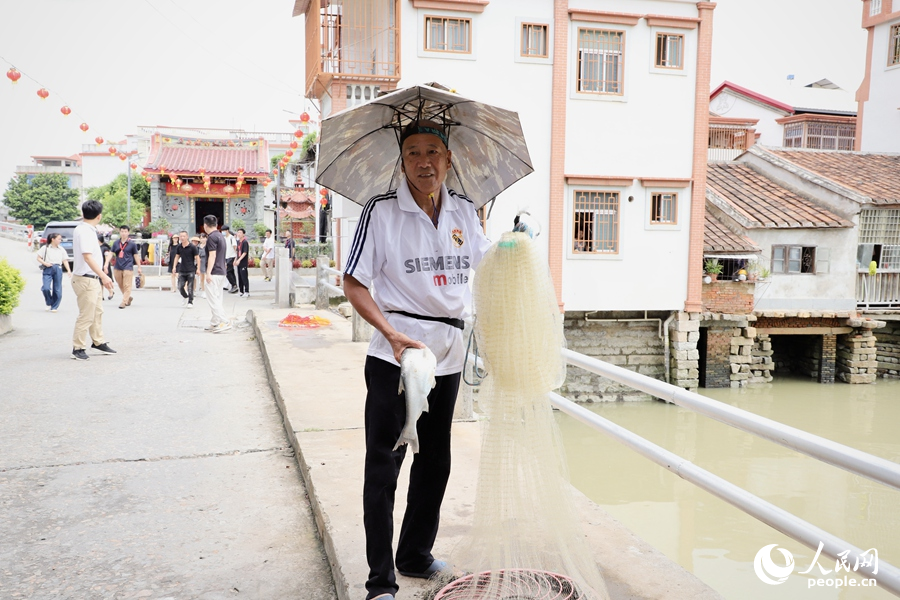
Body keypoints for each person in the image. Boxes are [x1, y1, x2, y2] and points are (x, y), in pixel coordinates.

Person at [342, 120, 492, 600]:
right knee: (384, 467)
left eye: (433, 152)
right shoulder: (381, 212)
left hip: (446, 357)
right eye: (412, 153)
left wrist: (509, 244)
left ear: (449, 161)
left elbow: (487, 269)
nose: (423, 161)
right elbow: (354, 282)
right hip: (396, 359)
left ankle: (415, 555)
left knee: (436, 461)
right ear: (401, 161)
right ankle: (380, 582)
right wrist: (389, 334)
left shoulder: (466, 212)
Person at [71, 200, 116, 360]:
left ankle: (98, 341)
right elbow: (88, 257)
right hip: (86, 278)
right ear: (99, 216)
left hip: (92, 278)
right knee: (87, 315)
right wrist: (104, 276)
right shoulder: (84, 231)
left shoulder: (86, 230)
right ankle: (78, 347)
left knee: (97, 312)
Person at [202, 216, 231, 333]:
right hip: (221, 271)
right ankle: (215, 322)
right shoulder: (221, 236)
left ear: (205, 225)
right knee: (217, 298)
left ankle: (224, 321)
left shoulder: (212, 238)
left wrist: (208, 272)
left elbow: (212, 255)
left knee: (213, 299)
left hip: (214, 272)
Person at [36, 232, 71, 312]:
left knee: (57, 289)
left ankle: (54, 306)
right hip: (48, 268)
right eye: (59, 239)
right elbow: (38, 258)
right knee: (46, 288)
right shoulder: (45, 248)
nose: (60, 240)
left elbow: (65, 260)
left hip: (58, 268)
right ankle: (49, 302)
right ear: (53, 239)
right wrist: (45, 263)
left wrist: (69, 270)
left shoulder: (61, 249)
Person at [111, 224, 142, 309]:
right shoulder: (116, 243)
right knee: (120, 284)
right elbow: (111, 253)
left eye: (125, 231)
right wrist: (106, 264)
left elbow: (136, 255)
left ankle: (124, 302)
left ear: (128, 233)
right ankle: (128, 298)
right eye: (122, 231)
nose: (124, 233)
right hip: (117, 266)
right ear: (120, 232)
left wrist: (139, 267)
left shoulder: (132, 244)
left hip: (128, 266)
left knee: (127, 285)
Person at [172, 230, 200, 308]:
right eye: (181, 236)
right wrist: (174, 267)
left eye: (184, 236)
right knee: (180, 286)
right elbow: (177, 257)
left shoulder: (192, 247)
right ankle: (185, 296)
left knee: (190, 287)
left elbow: (197, 258)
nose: (182, 238)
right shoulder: (179, 247)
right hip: (182, 269)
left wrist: (198, 268)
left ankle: (190, 301)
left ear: (187, 237)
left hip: (191, 269)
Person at [222, 225, 238, 293]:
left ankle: (234, 285)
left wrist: (236, 258)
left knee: (228, 272)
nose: (222, 232)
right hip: (226, 257)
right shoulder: (224, 238)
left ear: (227, 230)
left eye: (223, 231)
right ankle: (234, 286)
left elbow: (235, 249)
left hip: (231, 257)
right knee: (230, 272)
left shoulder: (232, 238)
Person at [235, 228, 250, 297]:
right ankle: (241, 291)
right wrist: (235, 260)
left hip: (243, 262)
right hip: (238, 262)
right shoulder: (238, 242)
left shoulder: (245, 242)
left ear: (243, 234)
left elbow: (244, 252)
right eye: (238, 232)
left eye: (240, 232)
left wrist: (239, 260)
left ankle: (246, 291)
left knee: (244, 277)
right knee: (239, 277)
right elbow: (237, 252)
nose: (239, 234)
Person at [99, 234, 115, 301]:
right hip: (99, 266)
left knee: (105, 281)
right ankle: (101, 295)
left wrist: (106, 265)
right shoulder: (97, 247)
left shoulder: (105, 248)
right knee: (100, 281)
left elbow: (107, 257)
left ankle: (111, 291)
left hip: (104, 266)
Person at [196, 233, 208, 299]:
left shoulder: (208, 246)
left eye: (204, 238)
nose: (203, 239)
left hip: (207, 262)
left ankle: (208, 291)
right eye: (201, 238)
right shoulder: (198, 247)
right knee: (202, 278)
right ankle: (203, 291)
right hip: (200, 262)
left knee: (207, 277)